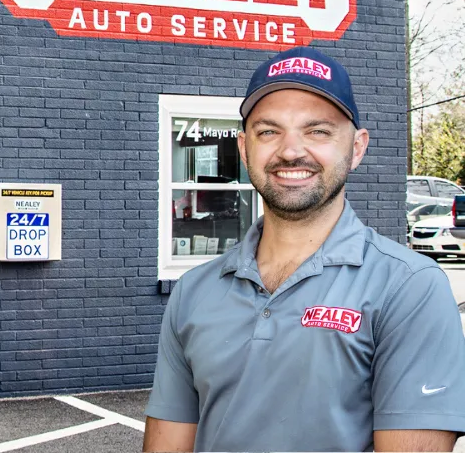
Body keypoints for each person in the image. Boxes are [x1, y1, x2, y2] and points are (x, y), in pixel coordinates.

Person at [144, 46, 465, 452]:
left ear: (357, 148)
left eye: (318, 131)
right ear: (244, 149)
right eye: (268, 131)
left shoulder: (409, 288)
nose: (291, 151)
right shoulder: (194, 290)